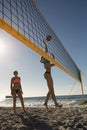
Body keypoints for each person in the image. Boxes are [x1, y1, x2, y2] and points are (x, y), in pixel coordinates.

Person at [40, 35, 62, 108]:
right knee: (52, 90)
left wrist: (53, 57)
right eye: (43, 56)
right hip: (47, 74)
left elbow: (54, 64)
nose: (45, 56)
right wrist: (45, 43)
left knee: (50, 90)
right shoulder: (44, 60)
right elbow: (46, 51)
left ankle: (46, 103)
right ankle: (56, 104)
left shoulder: (48, 62)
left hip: (48, 74)